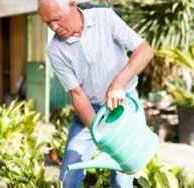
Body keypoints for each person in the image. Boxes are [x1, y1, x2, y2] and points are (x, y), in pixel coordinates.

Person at [38, 0, 153, 187]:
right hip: (89, 112)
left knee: (122, 182)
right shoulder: (55, 49)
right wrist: (99, 133)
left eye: (57, 19)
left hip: (124, 107)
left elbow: (144, 50)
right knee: (68, 179)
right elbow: (77, 94)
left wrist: (120, 81)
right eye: (47, 23)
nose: (54, 27)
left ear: (73, 6)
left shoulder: (104, 18)